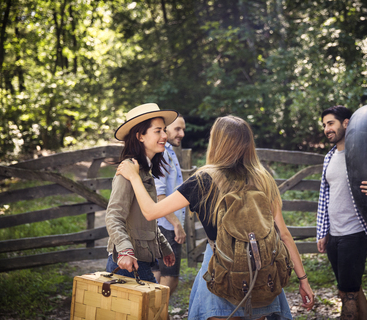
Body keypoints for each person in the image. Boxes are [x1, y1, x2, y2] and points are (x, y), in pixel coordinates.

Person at [117, 115, 315, 320]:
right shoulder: (263, 178)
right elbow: (283, 234)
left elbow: (151, 212)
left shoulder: (204, 180)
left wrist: (133, 177)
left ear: (217, 142)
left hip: (220, 273)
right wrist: (303, 280)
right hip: (262, 274)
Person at [316, 105, 367, 320]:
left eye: (331, 123)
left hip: (356, 232)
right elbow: (324, 198)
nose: (327, 129)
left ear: (346, 123)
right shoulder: (328, 157)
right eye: (324, 125)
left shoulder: (366, 154)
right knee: (352, 288)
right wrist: (322, 232)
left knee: (348, 294)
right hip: (335, 234)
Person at [105, 103, 176, 283]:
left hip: (140, 260)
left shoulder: (144, 171)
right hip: (129, 263)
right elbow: (113, 216)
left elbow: (145, 218)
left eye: (165, 130)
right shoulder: (128, 170)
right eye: (158, 131)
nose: (165, 136)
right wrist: (125, 250)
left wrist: (164, 247)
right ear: (140, 136)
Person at [152, 114, 187, 295]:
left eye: (183, 129)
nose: (181, 133)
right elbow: (159, 196)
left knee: (157, 275)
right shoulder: (163, 154)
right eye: (177, 129)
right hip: (166, 225)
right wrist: (176, 224)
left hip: (162, 223)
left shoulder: (168, 152)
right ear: (165, 130)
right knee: (170, 278)